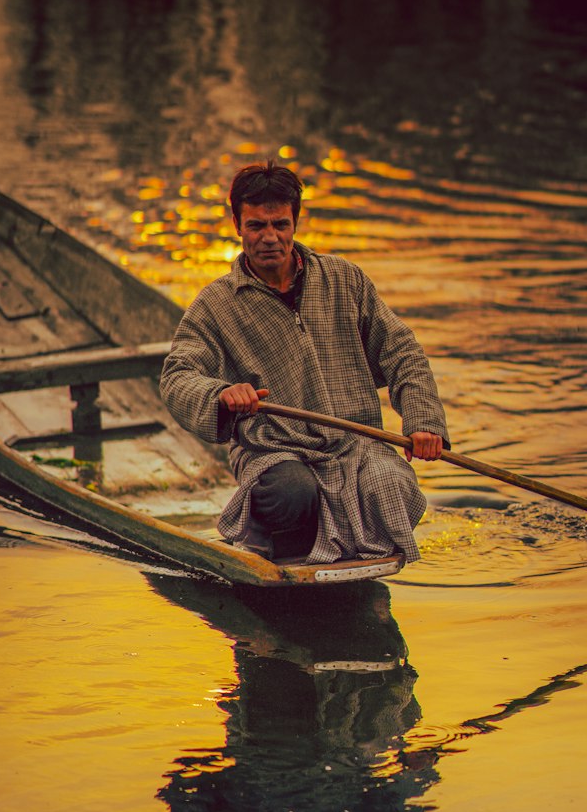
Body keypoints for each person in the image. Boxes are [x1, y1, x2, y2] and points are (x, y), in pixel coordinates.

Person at [160, 160, 448, 564]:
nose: (270, 238)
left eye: (280, 224)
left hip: (357, 441)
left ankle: (343, 556)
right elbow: (178, 376)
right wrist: (222, 393)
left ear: (295, 223)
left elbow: (402, 352)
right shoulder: (217, 303)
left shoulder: (345, 280)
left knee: (393, 484)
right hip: (273, 448)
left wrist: (424, 423)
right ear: (237, 226)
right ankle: (285, 557)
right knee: (293, 492)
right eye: (257, 226)